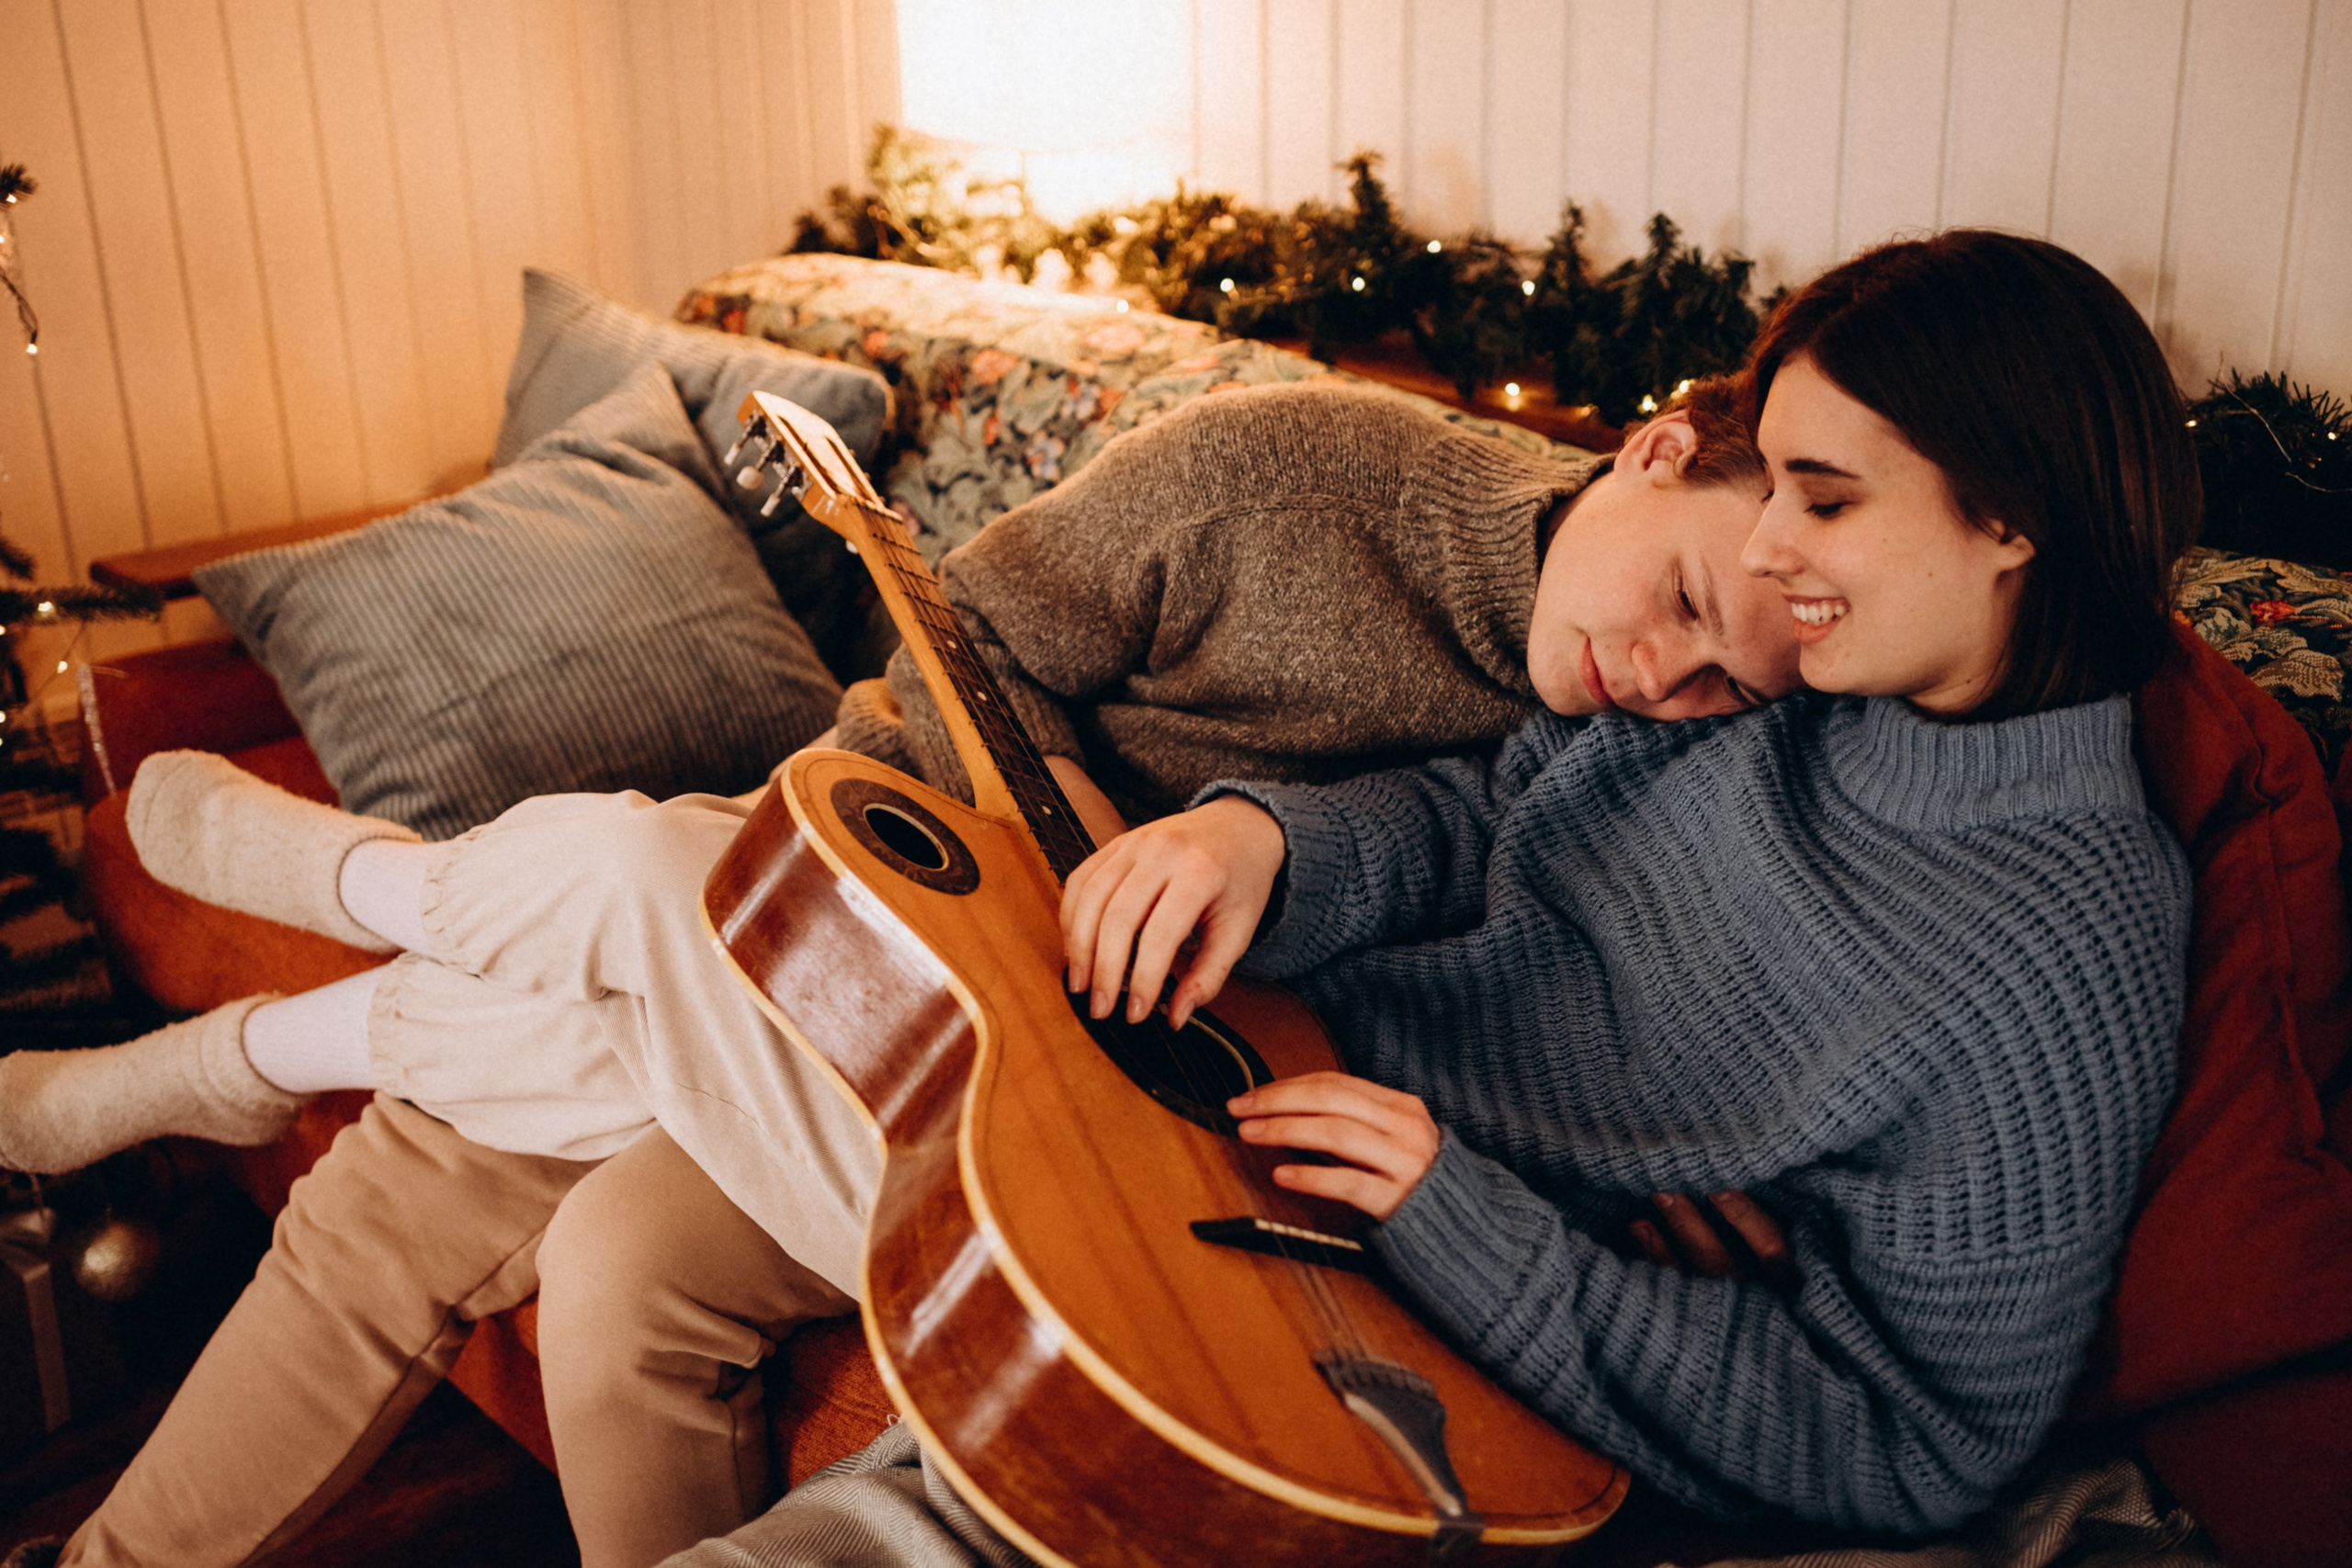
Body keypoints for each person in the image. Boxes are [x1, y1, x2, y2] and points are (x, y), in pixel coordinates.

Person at [0, 378, 1800, 1568]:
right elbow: (951, 668)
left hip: (1130, 1107)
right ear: (1650, 451)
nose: (1665, 673)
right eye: (1680, 603)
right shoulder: (1278, 467)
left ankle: (343, 947)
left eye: (1724, 675)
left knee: (613, 1006)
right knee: (429, 1163)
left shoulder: (1623, 755)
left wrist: (1643, 1162)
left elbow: (1604, 983)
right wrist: (1073, 856)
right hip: (886, 896)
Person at [1049, 229, 2199, 1538]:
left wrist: (1469, 1227)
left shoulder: (2065, 949)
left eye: (1822, 502)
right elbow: (1490, 815)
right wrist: (1266, 845)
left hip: (1406, 1313)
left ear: (2012, 518)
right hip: (1222, 1070)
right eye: (1769, 492)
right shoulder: (1800, 684)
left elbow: (1907, 1443)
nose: (1767, 556)